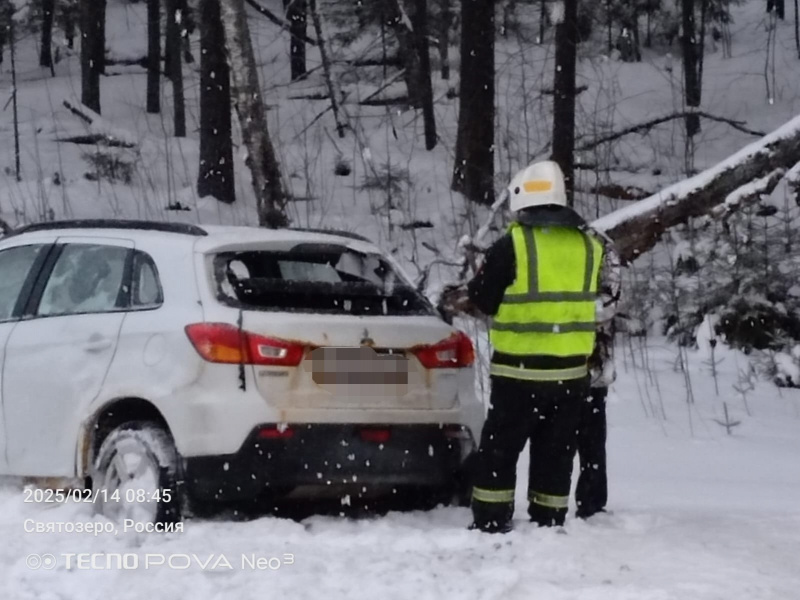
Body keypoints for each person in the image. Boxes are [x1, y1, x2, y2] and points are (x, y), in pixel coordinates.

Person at [444, 160, 614, 533]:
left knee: (500, 450)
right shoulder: (590, 246)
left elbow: (484, 300)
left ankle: (491, 518)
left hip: (518, 372)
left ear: (522, 201)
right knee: (556, 452)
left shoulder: (512, 244)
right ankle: (549, 519)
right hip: (571, 374)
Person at [575, 228, 621, 520]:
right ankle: (545, 506)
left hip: (591, 363)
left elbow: (607, 302)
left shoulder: (598, 244)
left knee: (591, 439)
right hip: (546, 361)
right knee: (552, 439)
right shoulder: (530, 239)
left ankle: (592, 503)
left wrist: (565, 311)